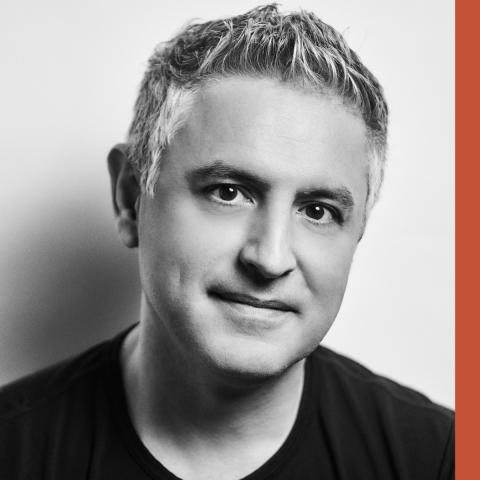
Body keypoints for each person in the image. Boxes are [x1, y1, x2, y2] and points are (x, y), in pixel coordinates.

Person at [0, 4, 453, 479]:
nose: (271, 257)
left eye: (318, 211)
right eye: (229, 192)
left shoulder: (440, 460)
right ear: (131, 196)